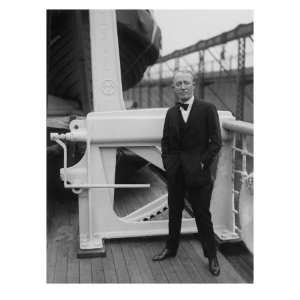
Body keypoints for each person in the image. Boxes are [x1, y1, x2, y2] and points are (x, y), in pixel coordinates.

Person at [152, 69, 222, 276]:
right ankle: (171, 248)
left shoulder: (208, 109)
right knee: (174, 212)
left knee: (202, 214)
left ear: (193, 85)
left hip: (198, 173)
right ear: (173, 88)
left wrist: (202, 163)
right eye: (178, 84)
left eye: (186, 83)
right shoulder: (171, 113)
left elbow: (216, 142)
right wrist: (168, 164)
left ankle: (212, 256)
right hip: (176, 173)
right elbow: (166, 142)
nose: (182, 87)